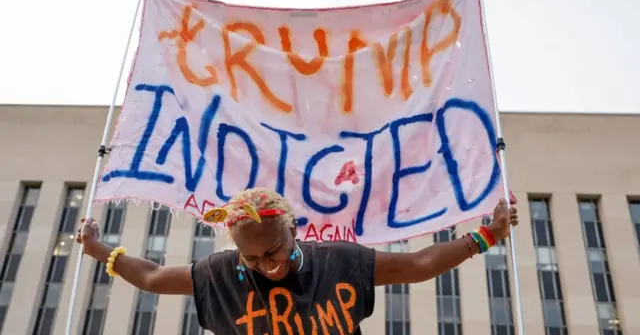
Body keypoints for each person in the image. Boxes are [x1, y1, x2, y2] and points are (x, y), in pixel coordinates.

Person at [77, 188, 518, 335]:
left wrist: (488, 235)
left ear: (294, 229)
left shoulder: (340, 262)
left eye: (274, 251)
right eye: (252, 258)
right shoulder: (221, 273)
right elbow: (153, 277)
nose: (267, 265)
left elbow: (419, 265)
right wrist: (98, 249)